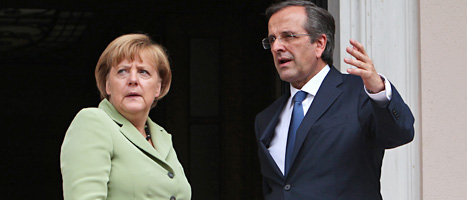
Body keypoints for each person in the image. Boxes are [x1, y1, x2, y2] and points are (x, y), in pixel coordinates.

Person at [254, 1, 415, 199]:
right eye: (272, 39)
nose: (277, 47)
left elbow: (401, 133)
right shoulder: (266, 119)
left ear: (319, 44)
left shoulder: (360, 93)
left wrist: (379, 90)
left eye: (289, 36)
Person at [60, 33, 191, 200]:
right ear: (107, 84)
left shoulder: (162, 136)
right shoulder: (93, 122)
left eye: (143, 72)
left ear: (158, 87)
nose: (133, 80)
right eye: (123, 71)